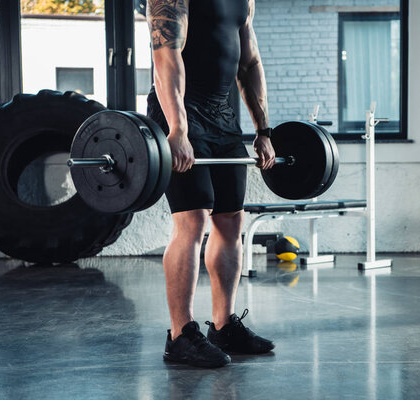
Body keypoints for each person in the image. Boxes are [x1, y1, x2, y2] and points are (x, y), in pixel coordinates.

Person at [146, 0, 275, 368]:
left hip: (223, 116)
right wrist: (177, 129)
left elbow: (249, 62)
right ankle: (180, 335)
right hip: (179, 116)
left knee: (231, 221)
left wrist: (263, 130)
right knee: (193, 221)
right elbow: (166, 57)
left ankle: (224, 326)